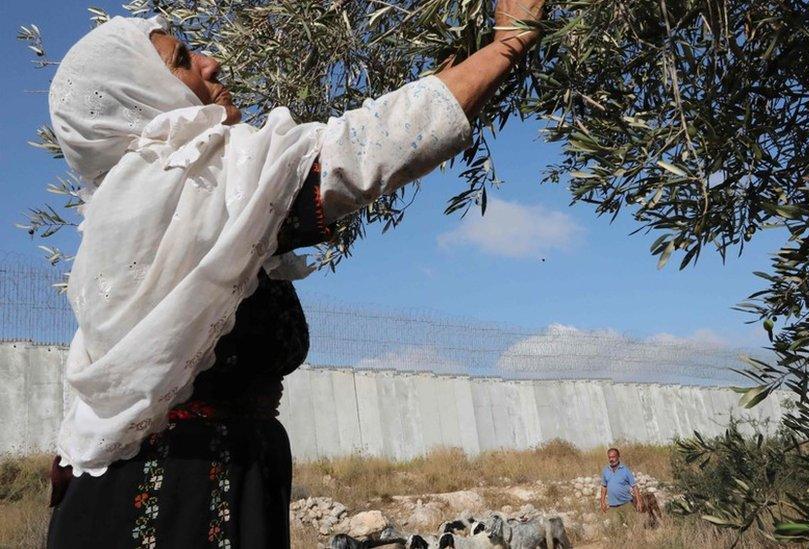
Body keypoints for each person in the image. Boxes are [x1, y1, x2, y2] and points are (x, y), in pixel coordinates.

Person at [45, 1, 545, 547]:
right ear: (136, 94)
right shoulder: (194, 181)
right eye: (182, 59)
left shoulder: (129, 215)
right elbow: (364, 150)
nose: (211, 63)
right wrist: (508, 45)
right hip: (178, 500)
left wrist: (76, 443)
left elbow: (115, 363)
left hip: (185, 485)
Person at [599, 448, 646, 527]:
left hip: (626, 504)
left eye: (613, 457)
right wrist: (602, 502)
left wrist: (639, 501)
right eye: (609, 457)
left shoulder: (625, 470)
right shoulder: (605, 471)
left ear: (618, 456)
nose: (611, 459)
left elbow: (634, 486)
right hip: (613, 506)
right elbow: (604, 487)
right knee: (617, 529)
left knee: (633, 526)